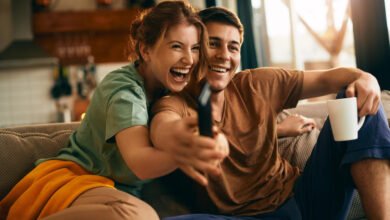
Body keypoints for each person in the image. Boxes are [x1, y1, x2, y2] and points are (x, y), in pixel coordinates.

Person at [150, 6, 390, 220]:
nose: (224, 55)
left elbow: (330, 77)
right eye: (213, 44)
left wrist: (365, 77)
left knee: (359, 99)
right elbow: (164, 126)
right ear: (194, 50)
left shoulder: (257, 83)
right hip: (241, 217)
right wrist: (178, 138)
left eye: (233, 47)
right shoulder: (175, 103)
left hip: (304, 199)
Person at [0, 2, 228, 219]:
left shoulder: (168, 88)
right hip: (76, 182)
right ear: (145, 51)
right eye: (176, 46)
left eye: (195, 48)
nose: (189, 59)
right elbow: (140, 162)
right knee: (138, 217)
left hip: (114, 191)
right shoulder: (124, 91)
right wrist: (184, 153)